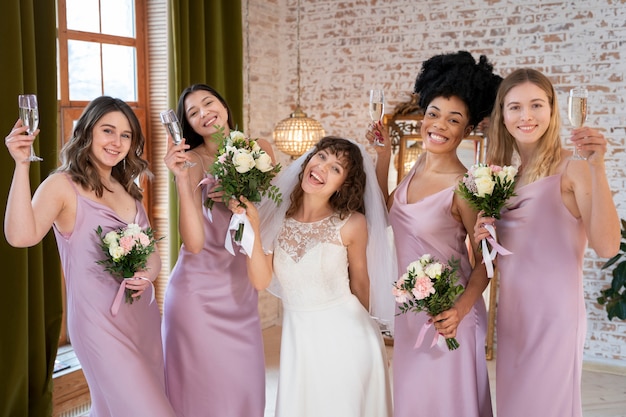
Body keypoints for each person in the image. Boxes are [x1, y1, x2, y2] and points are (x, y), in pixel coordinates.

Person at [4, 96, 176, 416]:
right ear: (86, 132)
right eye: (107, 131)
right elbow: (20, 236)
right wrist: (21, 165)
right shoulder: (61, 185)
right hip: (97, 324)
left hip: (143, 319)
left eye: (126, 135)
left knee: (116, 409)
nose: (117, 142)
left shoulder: (128, 188)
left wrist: (147, 275)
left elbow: (151, 254)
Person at [474, 68, 620, 417]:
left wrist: (597, 168)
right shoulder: (504, 178)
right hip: (512, 317)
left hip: (554, 317)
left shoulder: (573, 168)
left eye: (536, 105)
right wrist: (481, 236)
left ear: (553, 111)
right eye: (515, 107)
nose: (526, 116)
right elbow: (498, 259)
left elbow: (608, 247)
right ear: (503, 116)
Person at [367, 50, 502, 417]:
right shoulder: (414, 169)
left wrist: (458, 310)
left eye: (453, 119)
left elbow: (487, 263)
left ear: (467, 128)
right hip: (411, 313)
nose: (439, 125)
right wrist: (382, 155)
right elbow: (382, 214)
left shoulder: (465, 186)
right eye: (433, 114)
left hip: (450, 315)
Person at [229, 136, 394, 417]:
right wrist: (254, 227)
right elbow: (260, 280)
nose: (323, 167)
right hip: (299, 343)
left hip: (349, 341)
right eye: (322, 157)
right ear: (308, 160)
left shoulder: (352, 224)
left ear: (344, 185)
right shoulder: (276, 217)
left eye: (336, 169)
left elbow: (361, 284)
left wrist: (376, 340)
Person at [162, 84, 273, 416]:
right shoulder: (192, 162)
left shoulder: (262, 150)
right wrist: (182, 181)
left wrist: (239, 200)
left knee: (244, 386)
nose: (203, 113)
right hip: (197, 294)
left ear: (224, 106)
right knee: (201, 394)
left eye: (208, 103)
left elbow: (270, 216)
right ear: (189, 126)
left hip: (240, 288)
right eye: (193, 113)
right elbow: (193, 243)